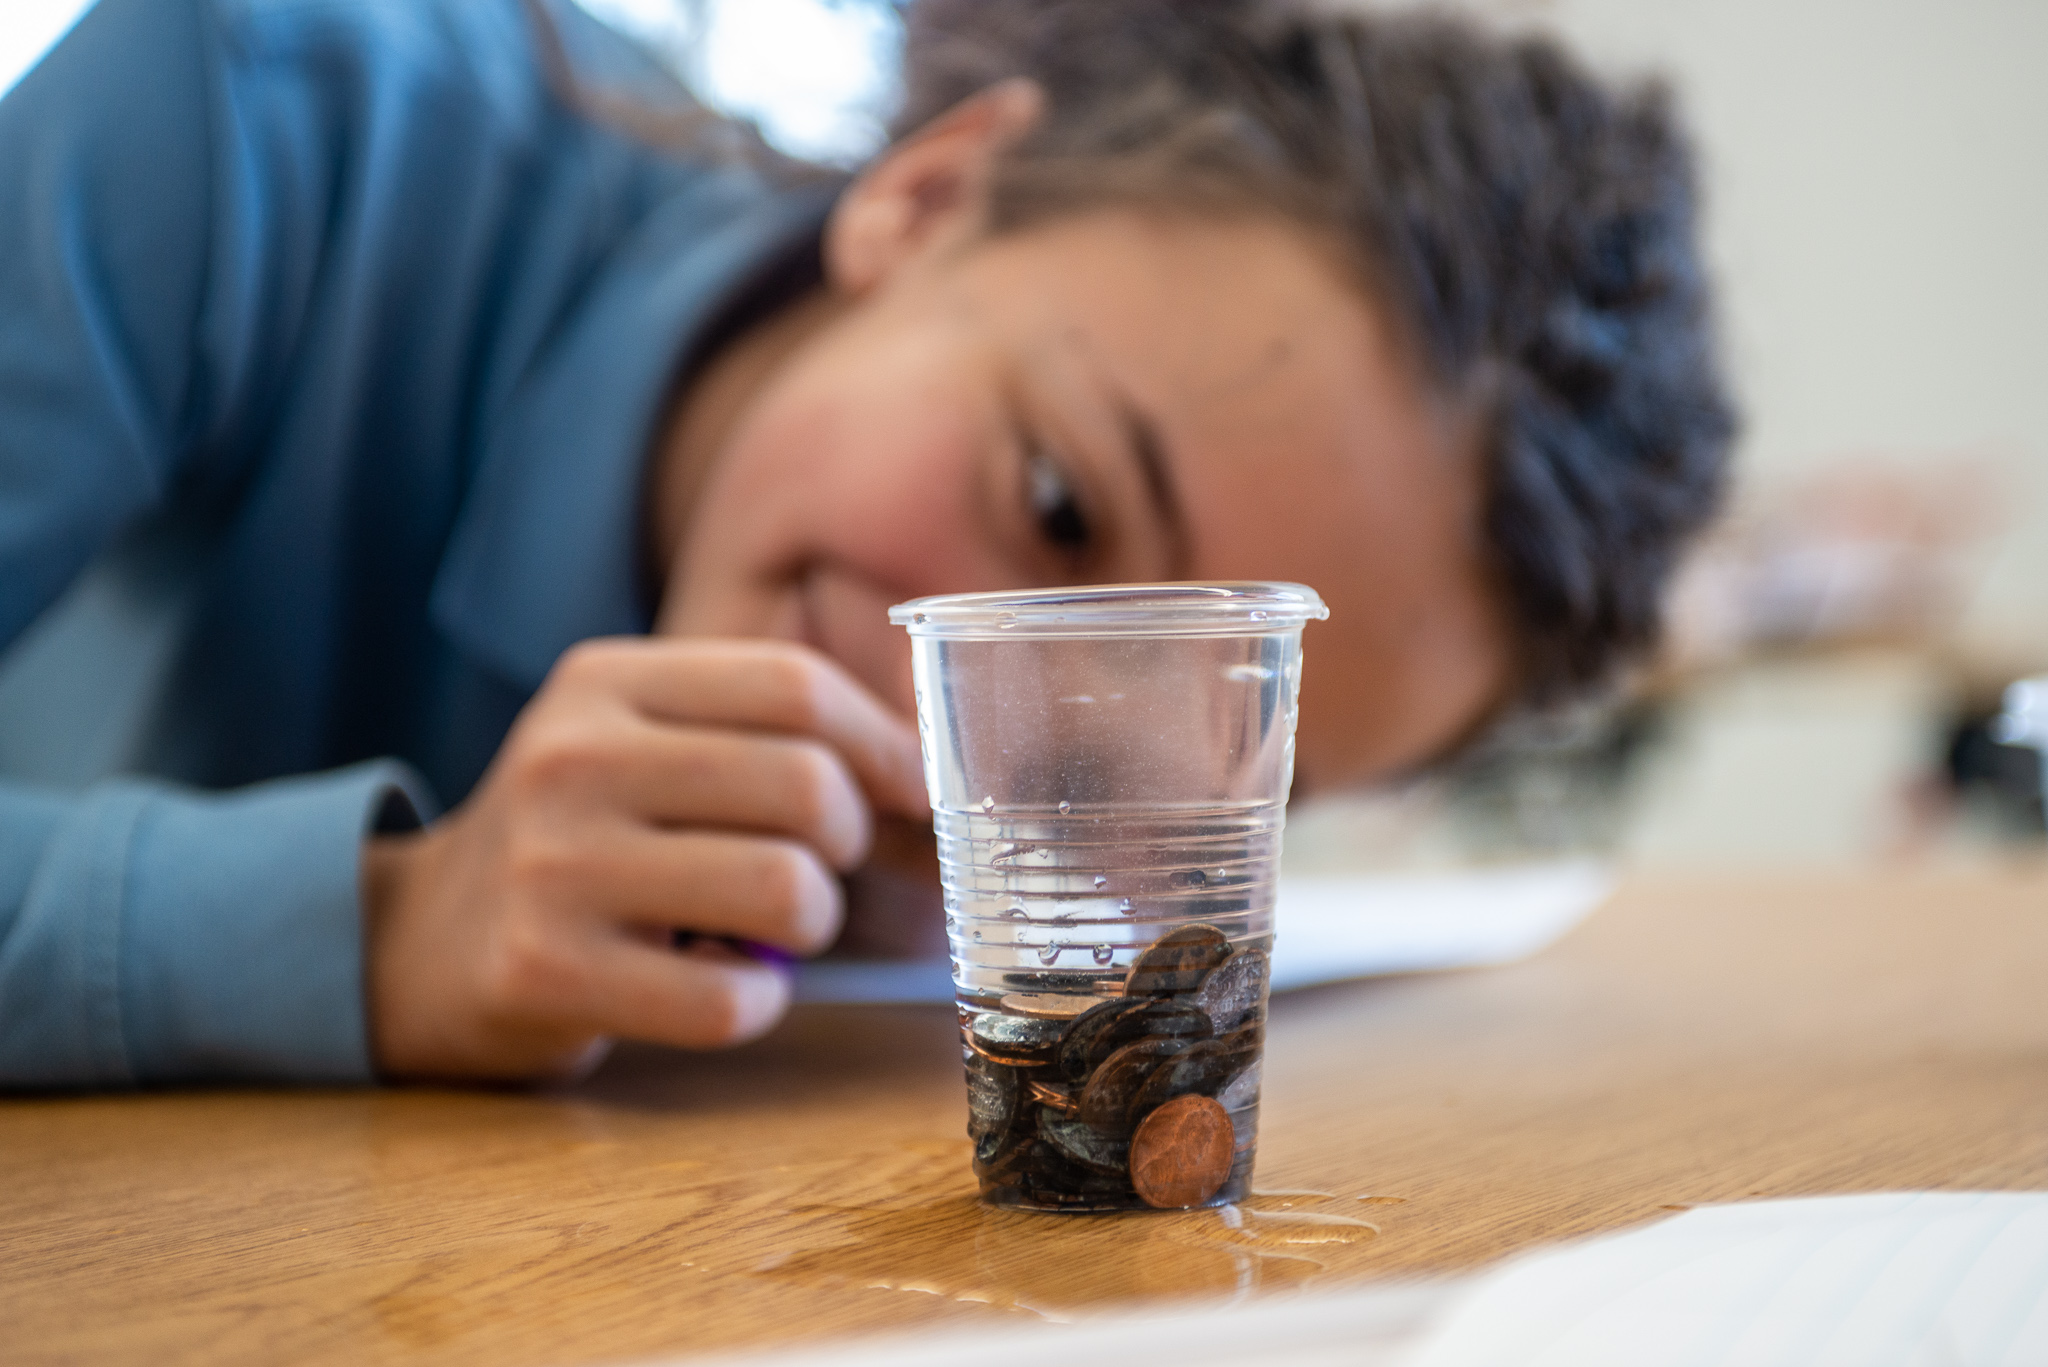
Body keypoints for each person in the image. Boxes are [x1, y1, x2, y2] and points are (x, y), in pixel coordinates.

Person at [0, 0, 1731, 1088]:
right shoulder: (253, 111)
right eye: (1058, 507)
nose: (958, 765)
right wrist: (375, 930)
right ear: (927, 192)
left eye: (1185, 775)